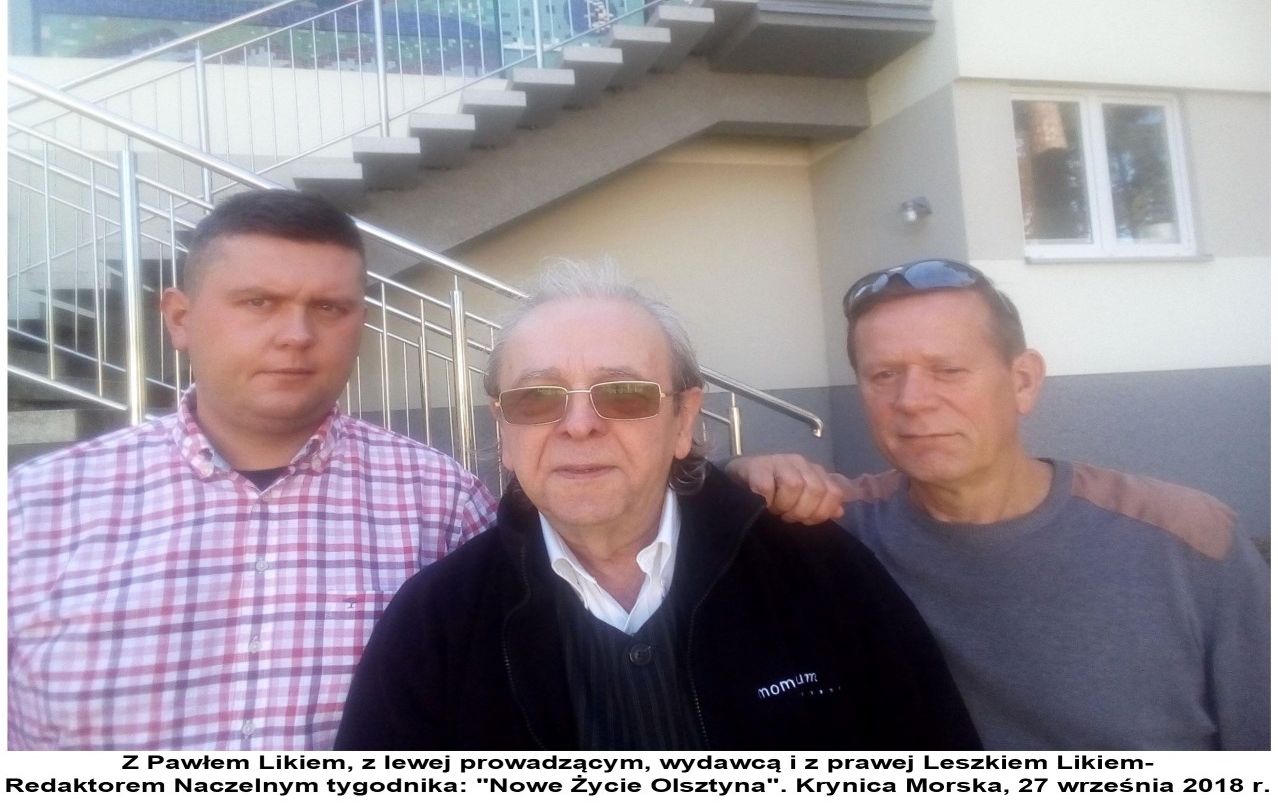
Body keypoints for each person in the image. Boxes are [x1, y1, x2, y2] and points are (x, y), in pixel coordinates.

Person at [334, 260, 980, 750]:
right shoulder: (436, 623)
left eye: (623, 393)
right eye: (538, 398)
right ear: (504, 429)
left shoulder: (820, 571)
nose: (579, 425)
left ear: (683, 420)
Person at [7, 189, 496, 750]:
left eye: (329, 308)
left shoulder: (444, 506)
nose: (296, 335)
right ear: (180, 319)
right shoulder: (33, 509)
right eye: (259, 302)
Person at [726, 258, 1271, 750]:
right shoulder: (841, 529)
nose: (912, 401)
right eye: (884, 375)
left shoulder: (1185, 541)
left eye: (948, 370)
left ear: (1023, 382)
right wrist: (738, 473)